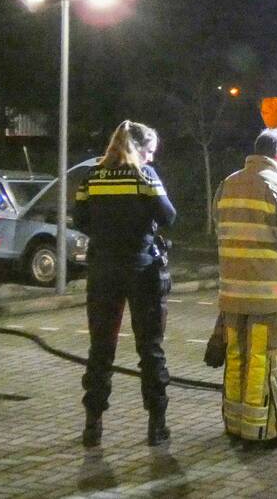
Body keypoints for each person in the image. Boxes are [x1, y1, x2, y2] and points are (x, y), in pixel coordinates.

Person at [74, 120, 177, 448]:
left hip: (102, 271)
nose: (151, 158)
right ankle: (156, 425)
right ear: (138, 148)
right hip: (141, 271)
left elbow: (80, 220)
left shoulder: (91, 176)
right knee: (150, 347)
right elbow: (169, 216)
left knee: (101, 347)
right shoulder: (145, 177)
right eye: (149, 152)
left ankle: (93, 425)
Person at [214, 128, 277, 448]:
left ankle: (233, 423)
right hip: (268, 294)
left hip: (231, 293)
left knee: (236, 356)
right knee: (263, 359)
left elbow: (219, 229)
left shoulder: (227, 184)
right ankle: (260, 430)